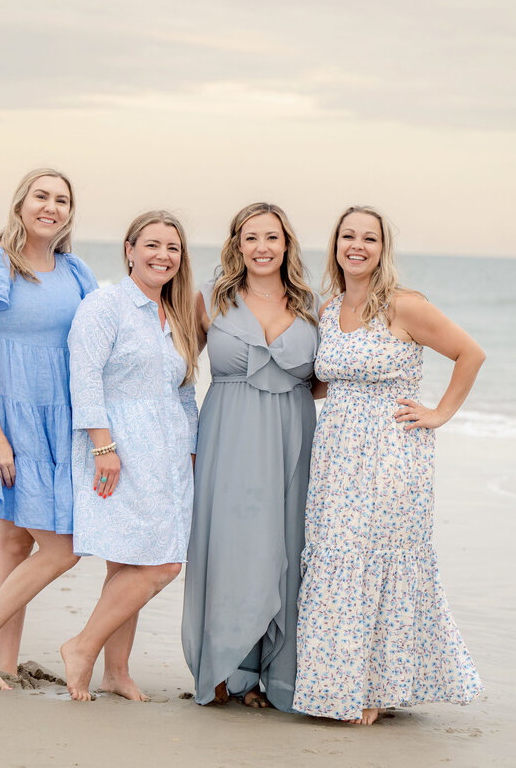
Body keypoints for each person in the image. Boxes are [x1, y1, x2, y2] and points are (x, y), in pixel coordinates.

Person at [292, 206, 486, 725]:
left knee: (378, 560)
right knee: (336, 557)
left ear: (383, 248)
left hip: (391, 455)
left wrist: (439, 414)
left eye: (369, 238)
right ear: (335, 245)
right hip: (336, 455)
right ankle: (336, 684)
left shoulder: (404, 306)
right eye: (347, 236)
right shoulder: (328, 309)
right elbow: (321, 382)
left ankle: (374, 690)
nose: (357, 245)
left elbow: (471, 354)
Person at [0, 168, 99, 690]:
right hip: (10, 420)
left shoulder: (75, 271)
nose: (51, 207)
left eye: (62, 200)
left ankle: (4, 664)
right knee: (62, 547)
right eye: (41, 196)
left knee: (13, 543)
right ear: (20, 203)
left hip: (60, 421)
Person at [181, 203, 322, 711]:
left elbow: (329, 381)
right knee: (233, 549)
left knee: (287, 549)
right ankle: (224, 669)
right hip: (229, 435)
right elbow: (176, 369)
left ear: (287, 244)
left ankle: (274, 675)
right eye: (251, 237)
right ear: (236, 245)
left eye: (272, 237)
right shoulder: (210, 301)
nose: (262, 247)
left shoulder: (313, 305)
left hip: (294, 436)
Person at [60, 210, 200, 702]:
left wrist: (192, 451)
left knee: (129, 563)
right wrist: (103, 446)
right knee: (161, 564)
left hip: (167, 454)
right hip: (119, 449)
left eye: (173, 249)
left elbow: (184, 391)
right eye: (153, 245)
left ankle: (116, 672)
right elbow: (85, 377)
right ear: (129, 249)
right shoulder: (105, 305)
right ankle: (82, 647)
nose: (163, 256)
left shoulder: (175, 315)